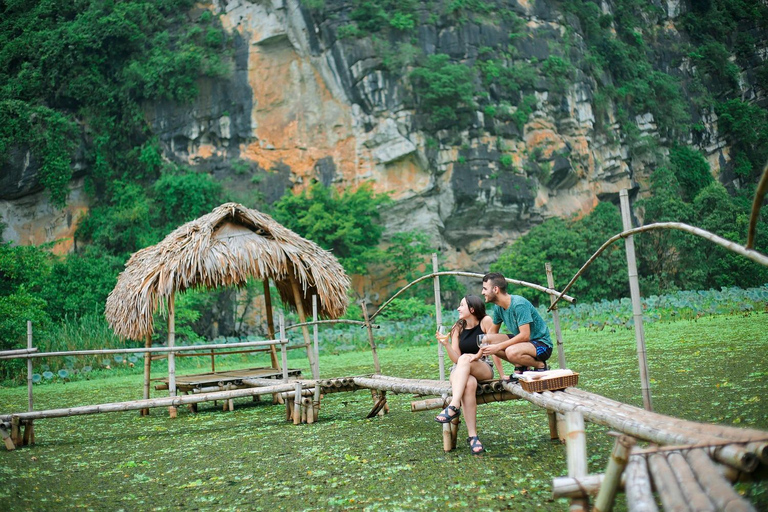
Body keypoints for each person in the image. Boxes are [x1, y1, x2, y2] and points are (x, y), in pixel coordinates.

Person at [434, 295, 494, 454]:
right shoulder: (457, 327)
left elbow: (493, 347)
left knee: (466, 358)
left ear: (472, 309)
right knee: (470, 383)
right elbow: (456, 358)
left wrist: (502, 375)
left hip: (483, 366)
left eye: (462, 305)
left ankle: (453, 405)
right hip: (459, 369)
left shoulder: (486, 321)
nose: (458, 309)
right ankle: (473, 437)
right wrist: (446, 345)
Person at [476, 272, 553, 382]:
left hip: (542, 345)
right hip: (523, 344)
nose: (482, 292)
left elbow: (525, 335)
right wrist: (479, 353)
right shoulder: (498, 307)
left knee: (511, 351)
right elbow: (491, 335)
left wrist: (498, 347)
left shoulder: (518, 304)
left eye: (485, 289)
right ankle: (521, 365)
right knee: (486, 339)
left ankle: (540, 365)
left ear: (495, 289)